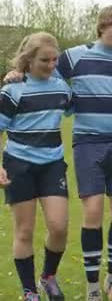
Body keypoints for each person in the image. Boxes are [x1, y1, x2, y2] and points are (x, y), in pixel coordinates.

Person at [0, 32, 72, 301]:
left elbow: (75, 108)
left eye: (55, 60)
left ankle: (48, 277)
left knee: (58, 227)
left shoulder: (62, 87)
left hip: (52, 164)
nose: (52, 65)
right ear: (28, 60)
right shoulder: (11, 91)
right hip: (19, 165)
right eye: (45, 60)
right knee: (25, 230)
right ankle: (29, 291)